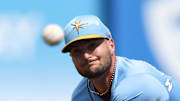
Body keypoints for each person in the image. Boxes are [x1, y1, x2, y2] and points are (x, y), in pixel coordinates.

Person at [61, 15, 180, 101]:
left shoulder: (136, 84)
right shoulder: (81, 96)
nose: (86, 55)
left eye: (92, 45)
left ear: (111, 45)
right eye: (77, 51)